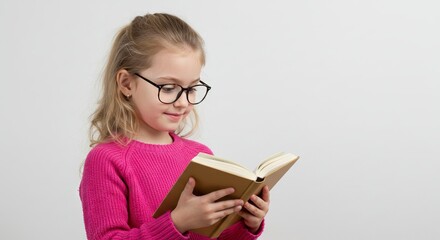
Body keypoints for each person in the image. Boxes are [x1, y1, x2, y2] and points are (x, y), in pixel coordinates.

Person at [79, 13, 270, 240]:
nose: (183, 102)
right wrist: (178, 223)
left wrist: (247, 224)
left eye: (191, 89)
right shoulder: (107, 160)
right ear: (126, 83)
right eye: (169, 88)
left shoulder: (201, 156)